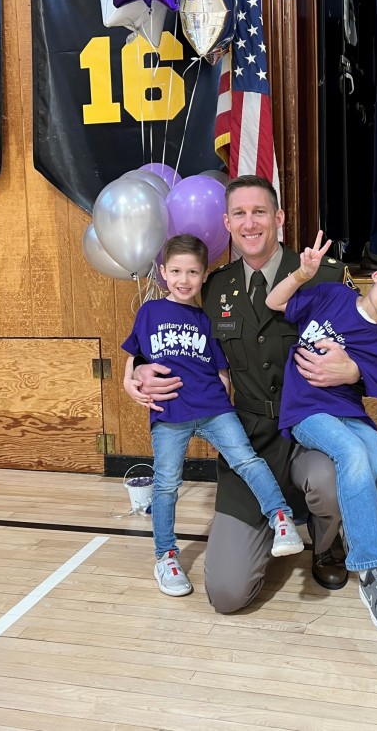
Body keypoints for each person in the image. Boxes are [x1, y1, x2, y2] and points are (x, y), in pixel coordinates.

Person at [125, 175, 362, 612]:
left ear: (279, 218)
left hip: (310, 432)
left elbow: (372, 352)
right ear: (227, 223)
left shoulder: (324, 275)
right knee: (228, 596)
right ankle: (272, 521)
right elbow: (168, 336)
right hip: (249, 437)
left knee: (327, 483)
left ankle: (327, 543)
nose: (250, 223)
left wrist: (353, 370)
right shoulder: (213, 287)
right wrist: (133, 371)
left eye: (259, 212)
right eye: (239, 214)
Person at [266, 231, 377, 632]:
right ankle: (373, 575)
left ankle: (353, 531)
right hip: (307, 412)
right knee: (351, 455)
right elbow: (276, 302)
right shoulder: (331, 296)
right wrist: (301, 274)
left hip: (353, 419)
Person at [121, 234, 304, 598]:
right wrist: (130, 380)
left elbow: (222, 370)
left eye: (192, 271)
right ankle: (166, 556)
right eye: (175, 271)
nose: (183, 279)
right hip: (169, 413)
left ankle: (281, 517)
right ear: (162, 272)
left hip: (213, 409)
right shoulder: (150, 312)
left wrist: (220, 400)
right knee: (167, 485)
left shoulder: (207, 319)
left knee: (246, 459)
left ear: (205, 275)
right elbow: (135, 355)